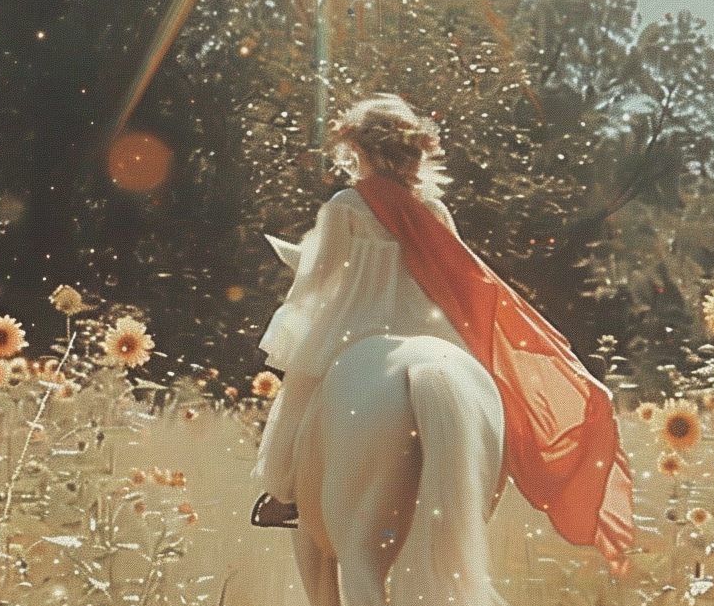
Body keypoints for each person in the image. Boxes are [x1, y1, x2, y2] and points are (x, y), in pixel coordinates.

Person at [251, 92, 633, 565]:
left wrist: (300, 299)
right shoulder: (432, 210)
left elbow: (320, 279)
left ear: (360, 150)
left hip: (354, 330)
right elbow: (452, 282)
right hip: (427, 331)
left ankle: (286, 494)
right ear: (413, 152)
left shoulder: (345, 206)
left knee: (302, 392)